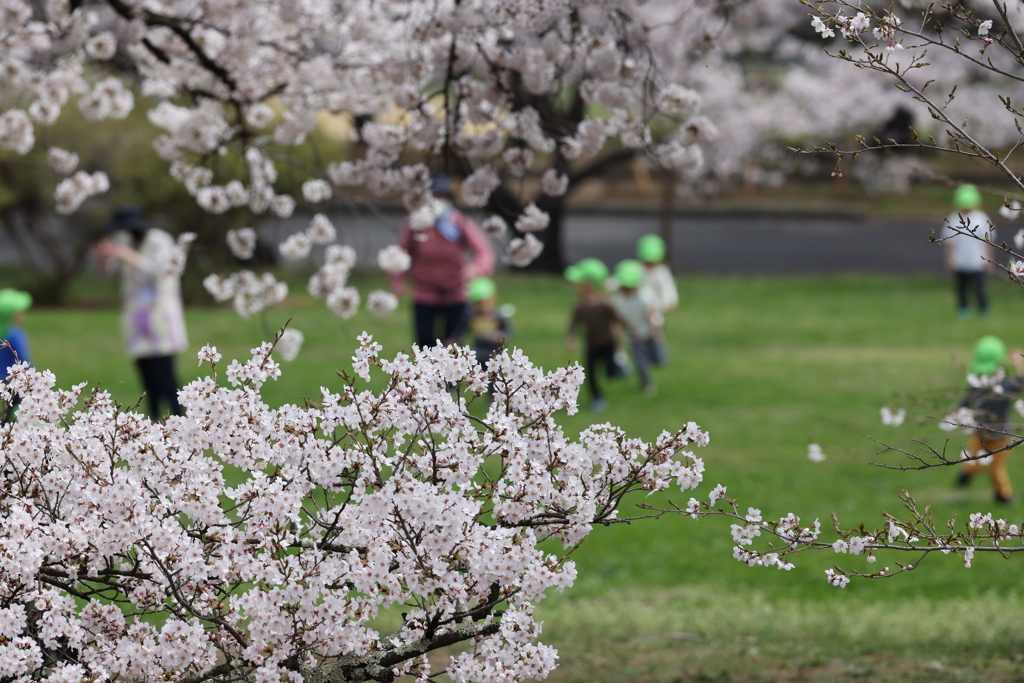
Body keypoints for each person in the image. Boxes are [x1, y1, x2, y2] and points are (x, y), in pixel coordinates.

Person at [92, 206, 188, 419]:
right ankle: (154, 422)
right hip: (137, 322)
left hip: (160, 319)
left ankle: (179, 421)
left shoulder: (159, 240)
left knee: (166, 377)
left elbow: (158, 272)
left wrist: (124, 253)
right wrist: (104, 258)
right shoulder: (125, 243)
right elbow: (107, 276)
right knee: (148, 380)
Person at [390, 174, 495, 349]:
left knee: (452, 342)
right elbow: (401, 252)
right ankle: (424, 375)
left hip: (455, 291)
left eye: (442, 197)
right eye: (434, 197)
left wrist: (476, 269)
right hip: (424, 291)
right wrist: (397, 280)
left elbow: (483, 250)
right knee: (424, 340)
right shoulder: (416, 223)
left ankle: (449, 376)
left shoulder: (458, 222)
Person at [955, 335, 1024, 504]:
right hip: (979, 432)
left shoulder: (1005, 384)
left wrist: (1018, 364)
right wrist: (959, 409)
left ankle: (1003, 496)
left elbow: (1021, 382)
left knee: (996, 470)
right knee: (972, 460)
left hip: (1001, 437)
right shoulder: (976, 382)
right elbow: (966, 399)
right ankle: (967, 474)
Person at [565, 258, 624, 412]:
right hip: (591, 344)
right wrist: (571, 337)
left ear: (589, 285)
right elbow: (574, 322)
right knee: (589, 374)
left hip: (607, 343)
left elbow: (617, 320)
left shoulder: (605, 304)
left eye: (579, 283)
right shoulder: (581, 305)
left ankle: (619, 368)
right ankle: (597, 398)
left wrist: (618, 334)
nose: (576, 287)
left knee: (610, 371)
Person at [940, 184, 995, 319]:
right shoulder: (953, 219)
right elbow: (949, 242)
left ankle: (983, 309)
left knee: (980, 289)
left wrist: (989, 260)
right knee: (961, 289)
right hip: (960, 261)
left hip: (978, 261)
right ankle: (963, 310)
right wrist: (949, 259)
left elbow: (988, 242)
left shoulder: (982, 218)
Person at [610, 259, 663, 395]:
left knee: (659, 359)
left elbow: (651, 314)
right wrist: (619, 338)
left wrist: (655, 331)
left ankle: (657, 359)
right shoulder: (618, 300)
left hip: (650, 332)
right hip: (635, 335)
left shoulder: (645, 296)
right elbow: (620, 320)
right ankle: (647, 384)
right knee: (640, 363)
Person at [637, 234, 677, 364]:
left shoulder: (661, 273)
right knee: (639, 335)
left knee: (655, 332)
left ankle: (659, 356)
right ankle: (644, 356)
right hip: (639, 309)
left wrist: (668, 302)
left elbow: (668, 291)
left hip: (655, 309)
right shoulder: (637, 270)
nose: (649, 264)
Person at [0, 288, 32, 423]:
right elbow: (22, 359)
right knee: (11, 410)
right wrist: (30, 377)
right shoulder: (15, 335)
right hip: (12, 381)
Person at [466, 276, 509, 369]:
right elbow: (462, 329)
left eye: (486, 303)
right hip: (478, 352)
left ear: (493, 300)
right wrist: (454, 338)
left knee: (494, 378)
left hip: (494, 352)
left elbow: (507, 329)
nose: (483, 307)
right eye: (479, 303)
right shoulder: (472, 317)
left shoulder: (497, 316)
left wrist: (501, 336)